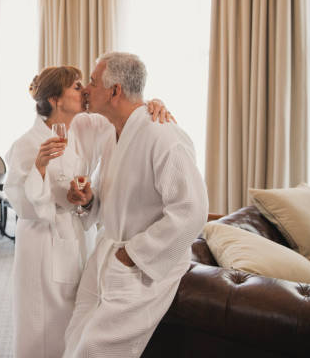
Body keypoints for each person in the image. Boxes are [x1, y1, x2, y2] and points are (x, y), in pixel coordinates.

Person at [4, 65, 173, 358]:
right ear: (56, 100)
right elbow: (20, 202)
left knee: (72, 316)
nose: (84, 90)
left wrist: (150, 105)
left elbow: (121, 117)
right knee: (40, 319)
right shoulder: (25, 145)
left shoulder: (83, 127)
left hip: (75, 237)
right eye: (76, 86)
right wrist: (40, 168)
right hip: (41, 243)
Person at [63, 52, 208, 357]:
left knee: (94, 348)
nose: (86, 89)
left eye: (92, 81)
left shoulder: (163, 134)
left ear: (114, 91)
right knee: (75, 333)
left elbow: (192, 210)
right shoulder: (111, 133)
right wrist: (90, 201)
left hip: (141, 264)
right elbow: (114, 198)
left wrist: (133, 253)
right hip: (107, 251)